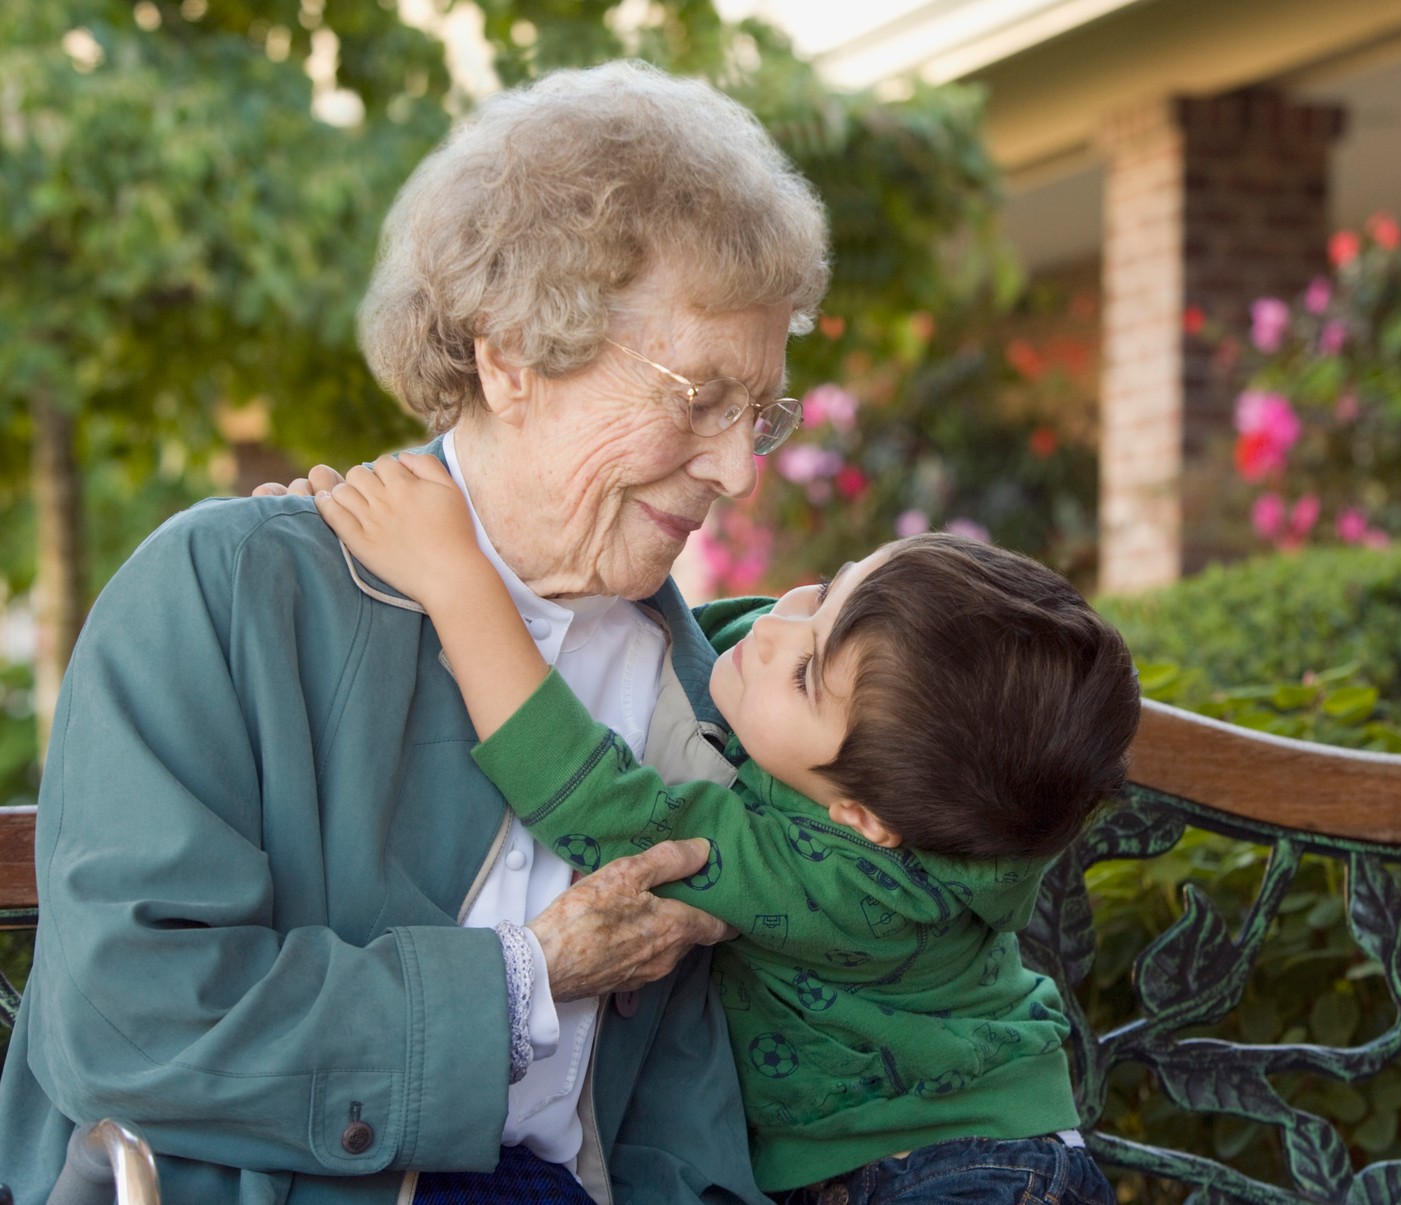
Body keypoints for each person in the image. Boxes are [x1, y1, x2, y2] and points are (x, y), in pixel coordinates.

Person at [0, 61, 828, 1204]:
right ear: (510, 355)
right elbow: (129, 1014)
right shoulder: (228, 591)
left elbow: (686, 1123)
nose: (738, 468)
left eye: (764, 414)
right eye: (698, 398)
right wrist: (525, 977)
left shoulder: (693, 684)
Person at [296, 451, 1138, 1204]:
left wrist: (453, 580)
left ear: (863, 819)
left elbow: (604, 809)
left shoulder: (855, 884)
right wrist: (352, 558)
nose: (773, 629)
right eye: (828, 590)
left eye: (807, 672)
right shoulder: (882, 752)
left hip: (964, 1173)